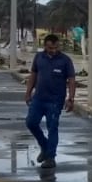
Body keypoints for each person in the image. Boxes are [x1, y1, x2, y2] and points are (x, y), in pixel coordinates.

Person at [25, 33, 77, 166]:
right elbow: (33, 75)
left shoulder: (65, 60)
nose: (53, 51)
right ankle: (44, 146)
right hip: (39, 99)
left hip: (55, 101)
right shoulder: (39, 57)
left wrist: (70, 98)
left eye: (55, 48)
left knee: (52, 127)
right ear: (45, 46)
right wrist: (28, 92)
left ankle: (50, 157)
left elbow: (71, 80)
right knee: (31, 123)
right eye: (50, 48)